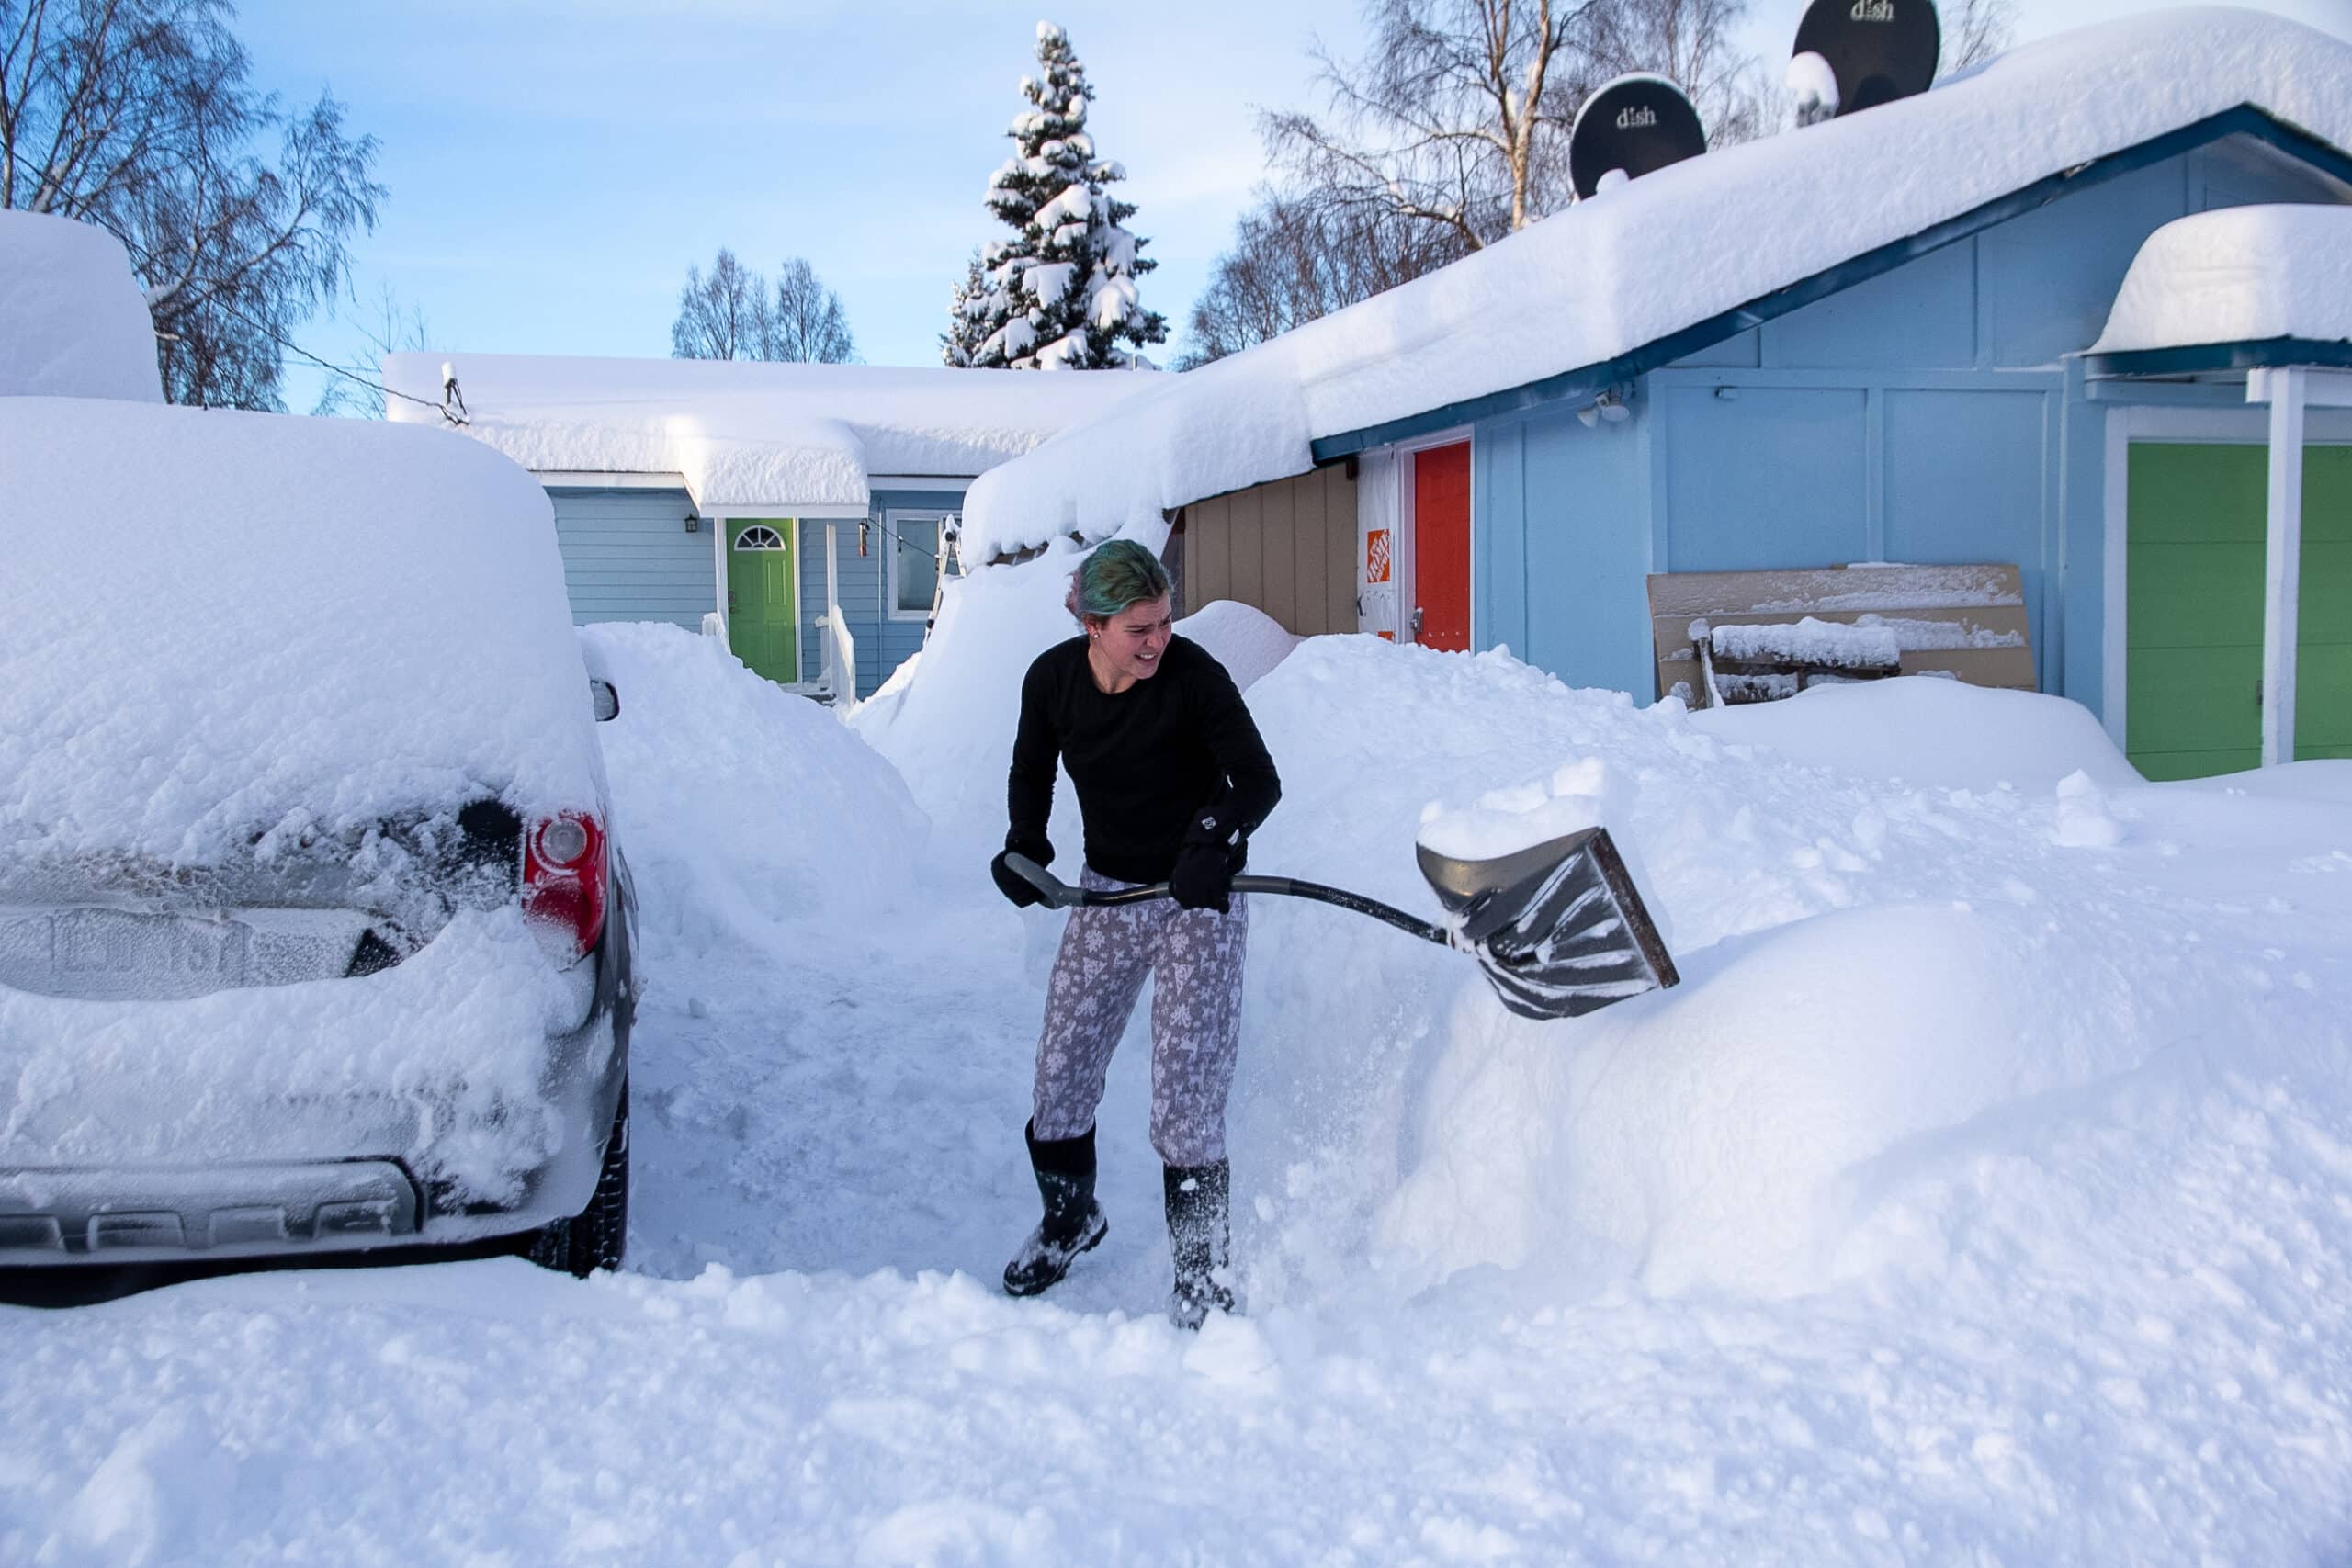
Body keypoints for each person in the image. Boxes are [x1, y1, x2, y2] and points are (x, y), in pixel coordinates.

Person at [990, 538, 1281, 1329]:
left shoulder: (1193, 677)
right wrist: (1026, 845)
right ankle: (1069, 1220)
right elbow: (1032, 771)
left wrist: (1211, 840)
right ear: (1092, 623)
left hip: (1198, 897)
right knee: (1061, 1076)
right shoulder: (1052, 681)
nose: (1157, 640)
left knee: (1184, 1099)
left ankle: (1201, 1274)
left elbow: (1257, 780)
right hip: (1109, 894)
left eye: (1165, 620)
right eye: (1139, 628)